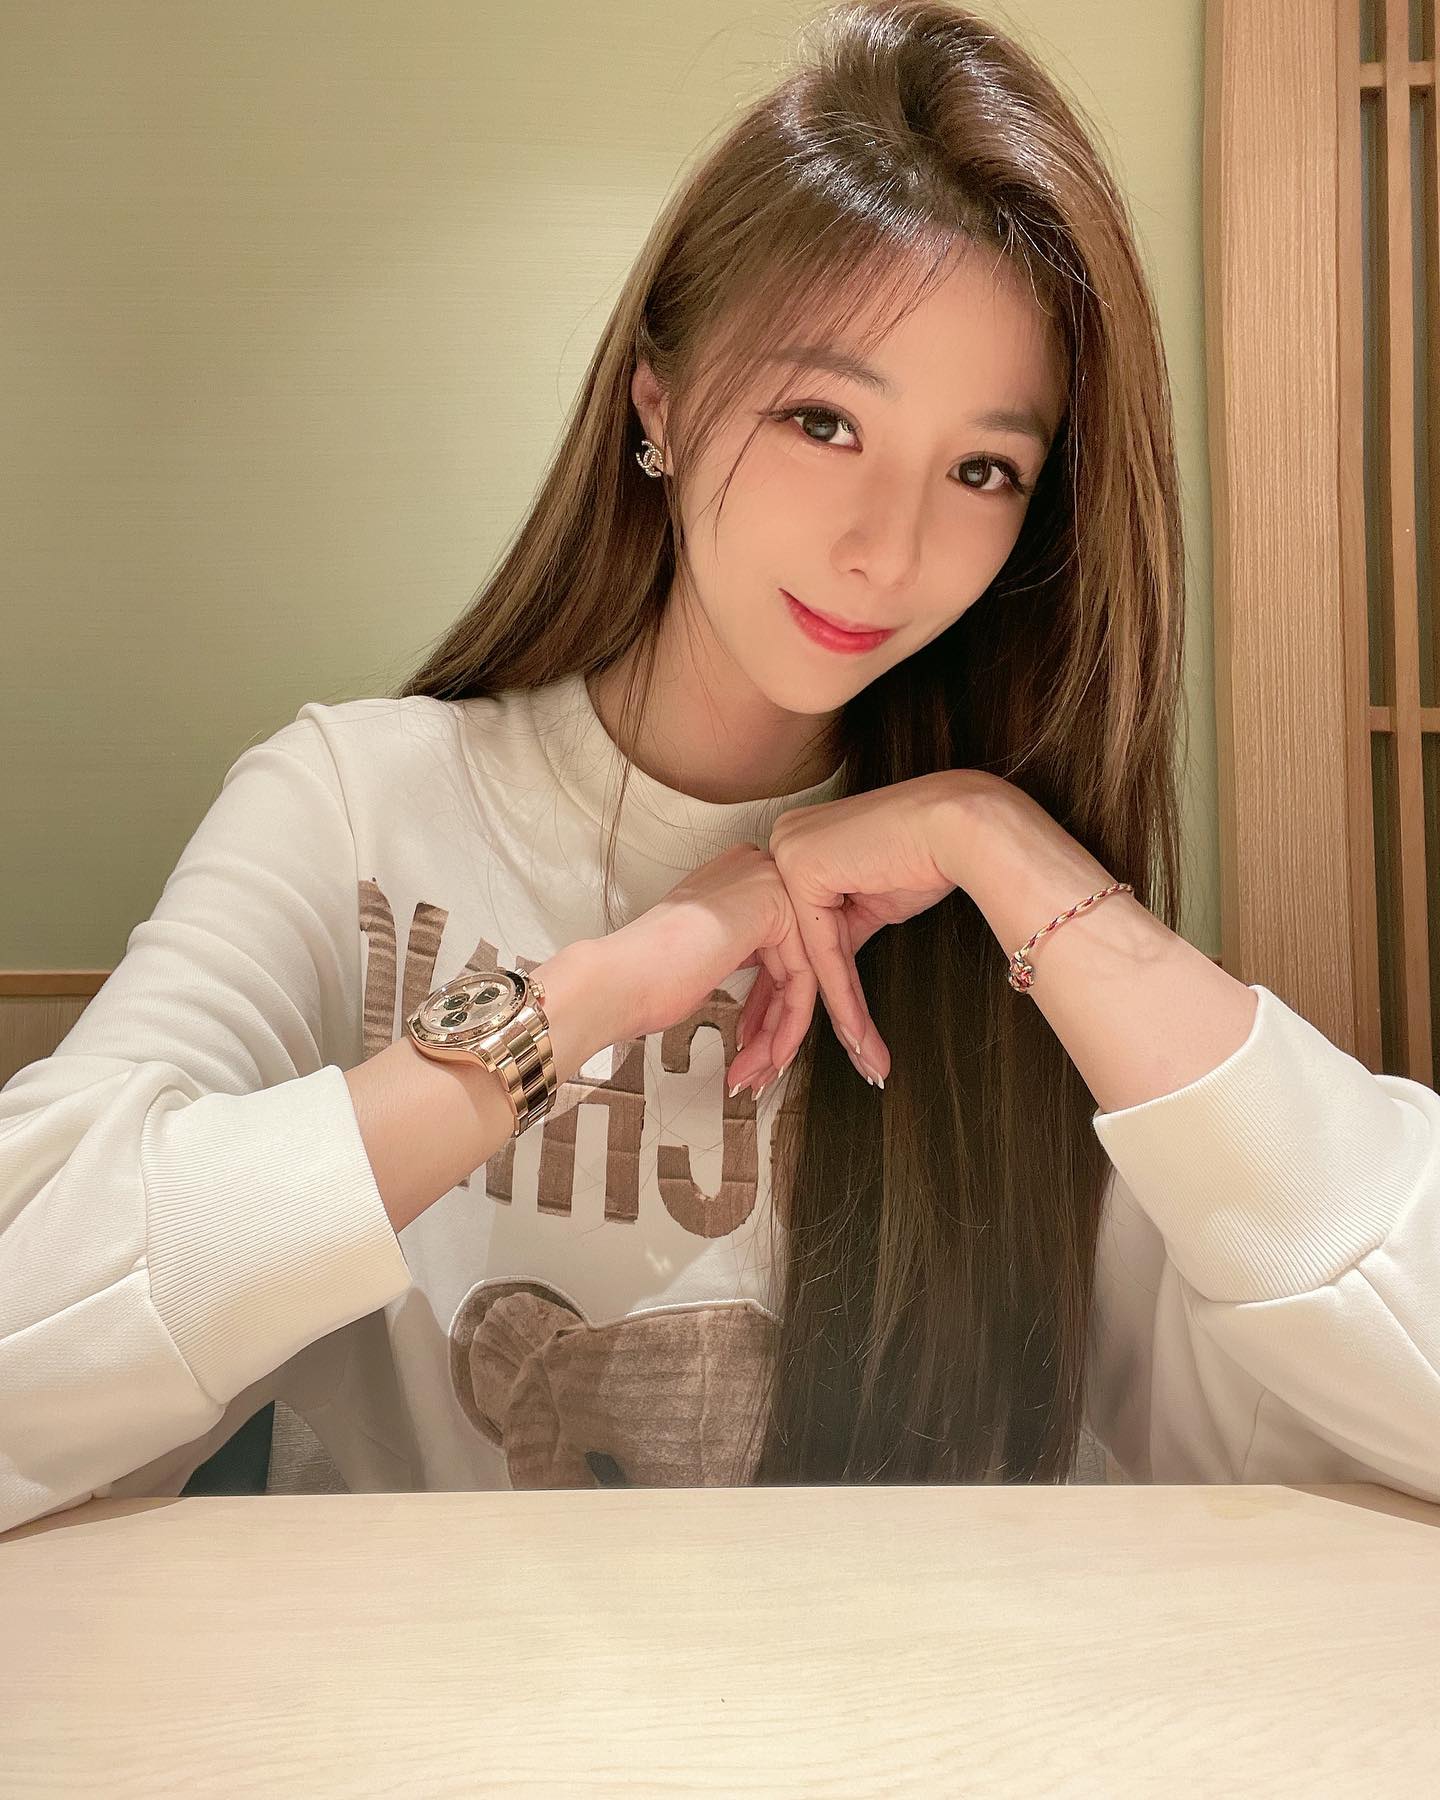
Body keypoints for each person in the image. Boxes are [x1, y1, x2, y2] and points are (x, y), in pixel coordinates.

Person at [2, 0, 1437, 1535]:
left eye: (983, 469)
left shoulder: (993, 925)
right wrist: (610, 986)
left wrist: (1002, 842)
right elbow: (32, 1324)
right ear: (662, 404)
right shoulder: (356, 809)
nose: (887, 548)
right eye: (824, 419)